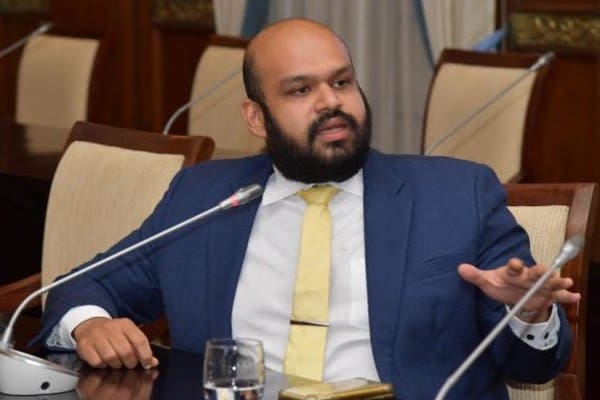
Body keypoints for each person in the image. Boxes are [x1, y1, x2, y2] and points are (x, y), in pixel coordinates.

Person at [40, 18, 579, 399]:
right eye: (300, 90)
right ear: (256, 117)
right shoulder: (203, 197)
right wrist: (90, 324)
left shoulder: (458, 195)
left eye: (341, 82)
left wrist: (528, 314)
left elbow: (534, 366)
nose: (331, 102)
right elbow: (81, 288)